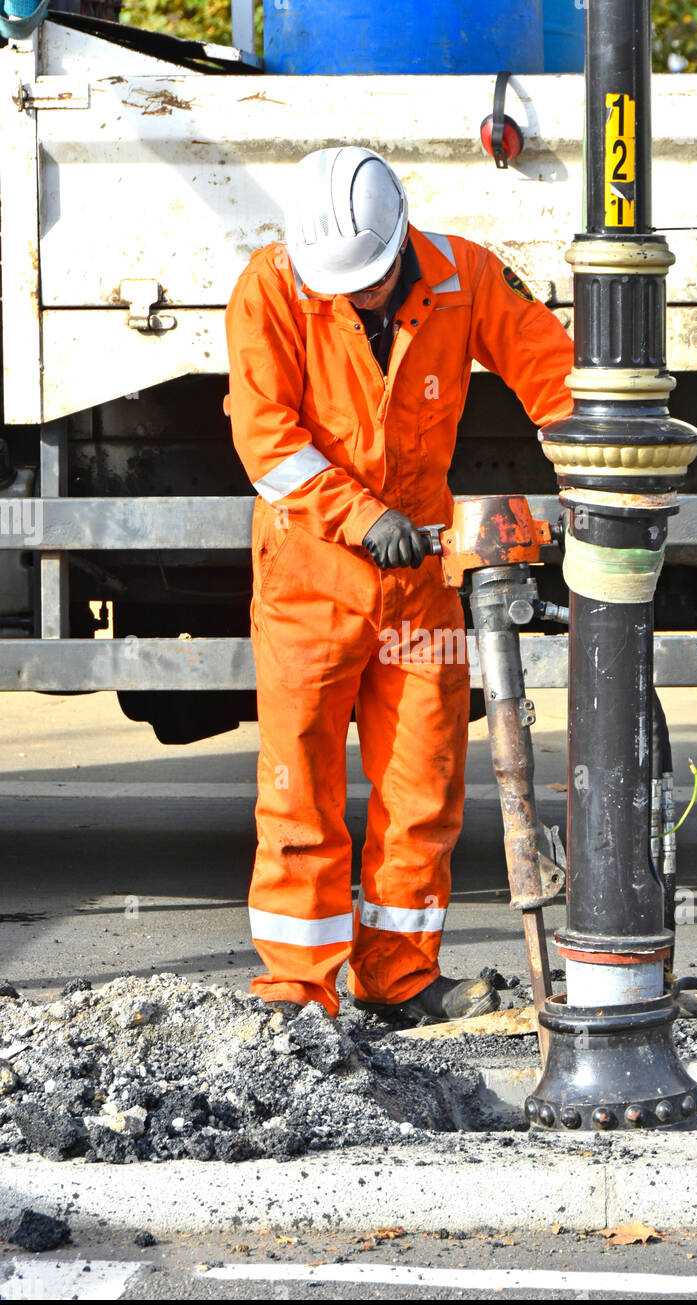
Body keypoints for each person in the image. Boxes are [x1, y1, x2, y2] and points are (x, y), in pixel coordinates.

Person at [225, 145, 573, 1022]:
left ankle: (401, 981)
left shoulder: (465, 277)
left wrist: (592, 473)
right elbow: (267, 438)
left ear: (400, 242)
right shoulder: (272, 287)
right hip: (311, 578)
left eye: (367, 283)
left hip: (420, 581)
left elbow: (550, 367)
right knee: (298, 784)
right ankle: (297, 991)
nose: (350, 298)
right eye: (335, 285)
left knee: (424, 785)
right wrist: (358, 516)